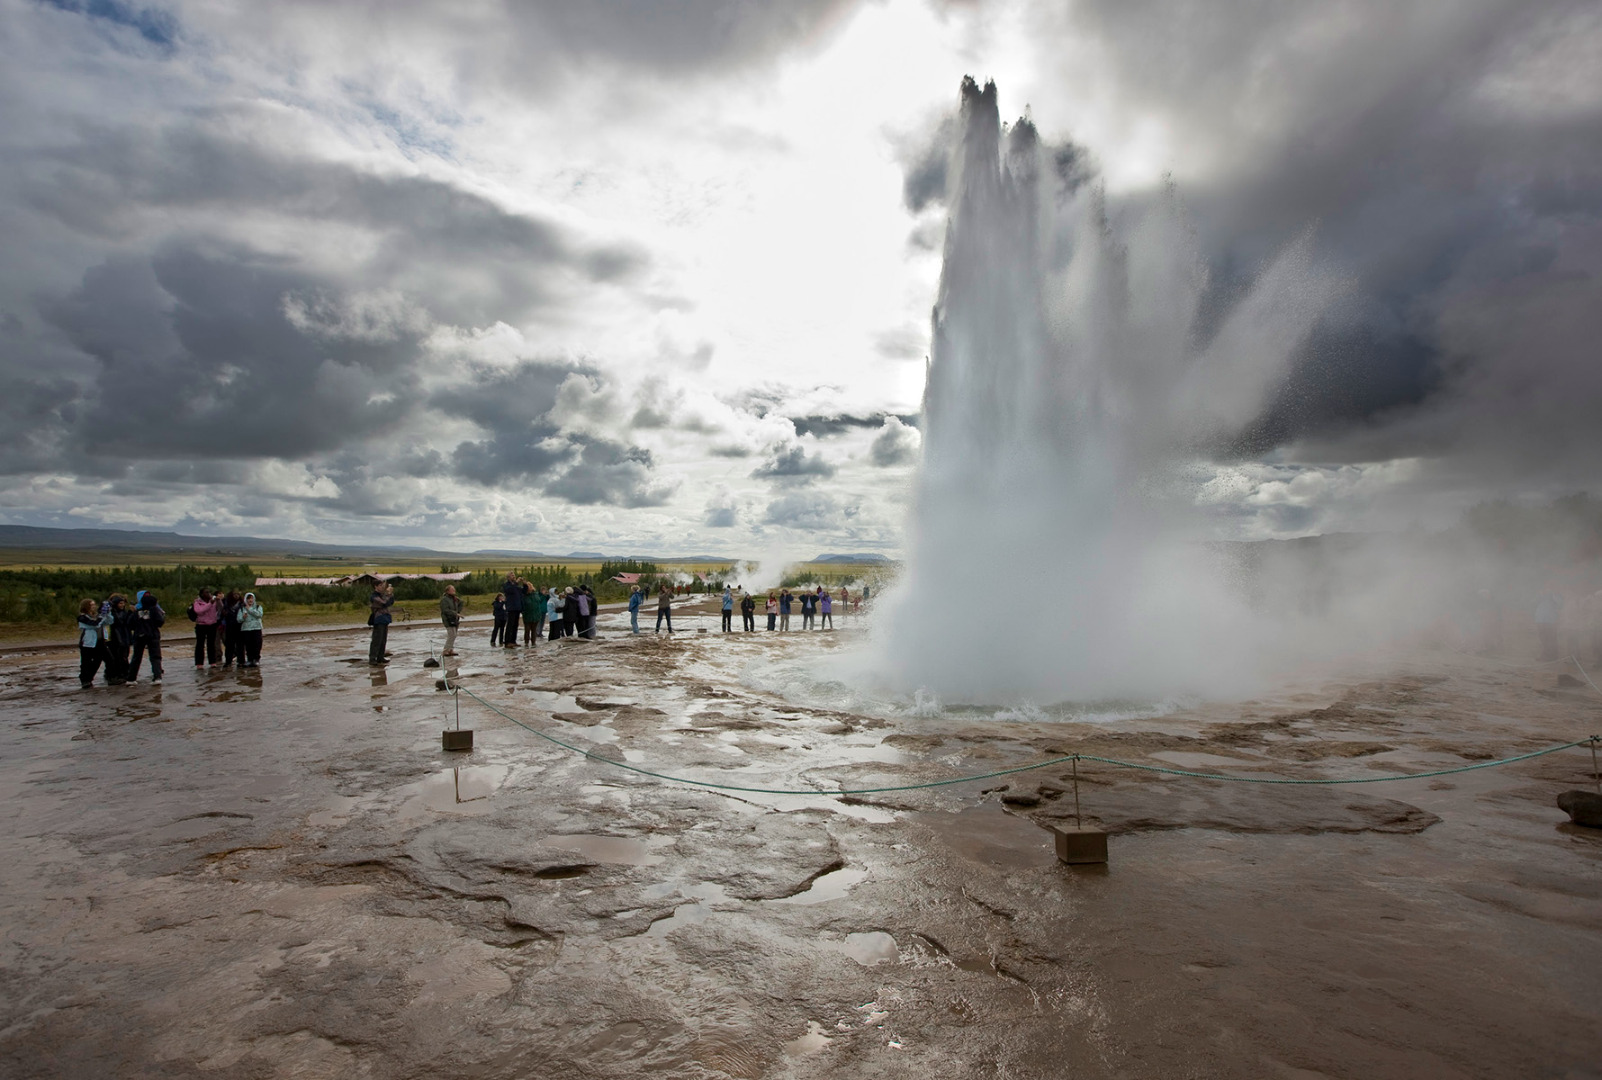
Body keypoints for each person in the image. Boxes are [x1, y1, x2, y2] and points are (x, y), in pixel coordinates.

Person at [129, 590, 165, 684]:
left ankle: (131, 678)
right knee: (155, 657)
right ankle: (157, 677)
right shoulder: (155, 610)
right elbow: (160, 622)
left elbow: (130, 624)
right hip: (153, 635)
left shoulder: (137, 611)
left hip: (139, 635)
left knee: (136, 657)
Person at [104, 593, 134, 685]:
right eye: (120, 603)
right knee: (116, 657)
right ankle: (116, 675)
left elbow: (128, 622)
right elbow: (117, 622)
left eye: (123, 603)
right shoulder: (112, 613)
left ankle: (124, 673)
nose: (122, 605)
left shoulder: (123, 612)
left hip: (125, 636)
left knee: (124, 656)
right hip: (115, 637)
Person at [77, 598, 107, 689]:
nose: (94, 606)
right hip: (87, 642)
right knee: (86, 662)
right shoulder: (82, 617)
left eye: (94, 604)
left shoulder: (96, 615)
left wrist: (106, 614)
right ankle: (85, 680)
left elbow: (107, 622)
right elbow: (94, 624)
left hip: (98, 641)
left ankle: (89, 677)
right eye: (92, 605)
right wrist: (102, 616)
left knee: (98, 660)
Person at [190, 587, 223, 668]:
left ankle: (212, 661)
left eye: (209, 592)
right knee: (200, 644)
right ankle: (199, 663)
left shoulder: (213, 601)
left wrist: (219, 600)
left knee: (211, 644)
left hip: (212, 624)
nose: (208, 594)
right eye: (206, 592)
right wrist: (210, 604)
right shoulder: (197, 602)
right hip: (201, 625)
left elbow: (220, 608)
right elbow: (199, 611)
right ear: (201, 594)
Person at [368, 581, 394, 665]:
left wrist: (390, 595)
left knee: (383, 640)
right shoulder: (374, 596)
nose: (382, 587)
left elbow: (390, 602)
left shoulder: (381, 595)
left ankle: (380, 657)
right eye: (380, 585)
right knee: (376, 640)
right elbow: (384, 603)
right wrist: (389, 594)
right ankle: (372, 658)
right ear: (375, 586)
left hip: (385, 618)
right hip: (378, 618)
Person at [1534, 586, 1562, 661]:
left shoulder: (1555, 596)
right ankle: (1545, 654)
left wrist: (1553, 594)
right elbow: (1533, 603)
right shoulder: (1540, 597)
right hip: (1540, 620)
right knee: (1543, 638)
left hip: (1550, 621)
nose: (1545, 591)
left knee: (1551, 638)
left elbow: (1560, 603)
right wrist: (1540, 595)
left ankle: (1553, 655)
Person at [237, 592, 264, 667]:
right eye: (248, 599)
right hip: (246, 629)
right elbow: (239, 619)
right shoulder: (242, 608)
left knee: (257, 644)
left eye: (251, 598)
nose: (250, 600)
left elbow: (259, 615)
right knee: (248, 645)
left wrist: (250, 609)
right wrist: (243, 617)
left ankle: (256, 659)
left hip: (256, 627)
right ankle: (250, 659)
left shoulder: (258, 607)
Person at [221, 588, 245, 667]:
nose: (236, 596)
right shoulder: (227, 603)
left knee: (240, 644)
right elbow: (222, 613)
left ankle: (241, 661)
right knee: (229, 645)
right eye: (234, 594)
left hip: (239, 626)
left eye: (238, 594)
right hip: (230, 625)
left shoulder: (242, 604)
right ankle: (228, 661)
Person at [440, 585, 464, 656]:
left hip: (455, 619)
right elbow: (445, 610)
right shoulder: (444, 599)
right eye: (452, 589)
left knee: (454, 635)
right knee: (451, 635)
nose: (454, 591)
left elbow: (461, 602)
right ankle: (445, 650)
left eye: (454, 589)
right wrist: (455, 613)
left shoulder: (454, 599)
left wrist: (458, 612)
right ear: (447, 591)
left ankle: (450, 650)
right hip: (448, 619)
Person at [501, 572, 523, 648]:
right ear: (508, 577)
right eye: (512, 575)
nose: (514, 576)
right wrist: (516, 583)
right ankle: (507, 642)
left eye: (514, 575)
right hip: (511, 608)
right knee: (510, 625)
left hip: (517, 607)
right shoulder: (507, 585)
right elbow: (509, 590)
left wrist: (525, 584)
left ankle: (513, 641)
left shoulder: (516, 586)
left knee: (515, 625)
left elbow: (522, 591)